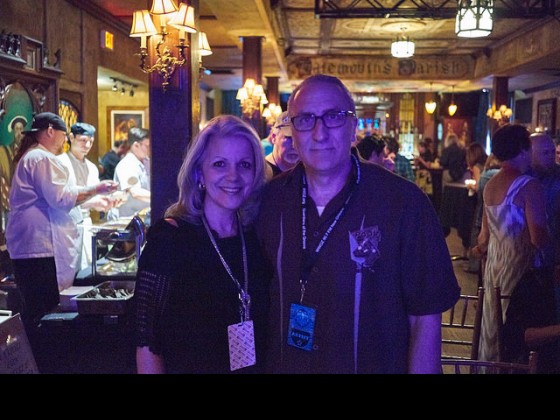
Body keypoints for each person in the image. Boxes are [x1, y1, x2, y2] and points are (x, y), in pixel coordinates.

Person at [256, 74, 460, 374]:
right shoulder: (270, 200)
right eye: (306, 119)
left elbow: (425, 318)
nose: (319, 132)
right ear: (291, 131)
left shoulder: (404, 204)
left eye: (333, 117)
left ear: (353, 128)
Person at [134, 115, 271, 374]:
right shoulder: (170, 239)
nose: (233, 176)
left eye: (244, 164)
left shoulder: (255, 238)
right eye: (220, 164)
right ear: (200, 173)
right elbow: (147, 343)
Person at [5, 112, 118, 334]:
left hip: (30, 245)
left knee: (36, 308)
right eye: (63, 135)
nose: (64, 141)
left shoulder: (34, 155)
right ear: (49, 131)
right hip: (38, 247)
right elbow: (61, 198)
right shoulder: (41, 158)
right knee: (43, 312)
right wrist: (97, 188)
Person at [473, 124, 550, 363]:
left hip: (495, 266)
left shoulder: (491, 185)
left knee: (494, 326)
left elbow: (483, 238)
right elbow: (538, 237)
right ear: (522, 150)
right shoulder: (528, 185)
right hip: (520, 268)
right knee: (518, 331)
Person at [57, 122, 122, 271]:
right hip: (66, 223)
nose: (87, 145)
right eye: (83, 140)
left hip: (86, 222)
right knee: (69, 268)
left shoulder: (92, 167)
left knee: (86, 268)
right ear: (71, 137)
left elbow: (94, 196)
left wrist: (107, 200)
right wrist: (94, 202)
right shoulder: (61, 163)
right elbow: (63, 199)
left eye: (90, 142)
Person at [109, 127, 151, 220]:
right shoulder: (127, 164)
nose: (150, 149)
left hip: (142, 216)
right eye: (147, 146)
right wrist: (158, 198)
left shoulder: (147, 162)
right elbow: (135, 192)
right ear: (136, 145)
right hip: (126, 219)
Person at [264, 111, 299, 177]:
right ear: (274, 137)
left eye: (299, 139)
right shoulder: (260, 174)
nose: (294, 145)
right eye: (289, 138)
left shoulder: (307, 172)